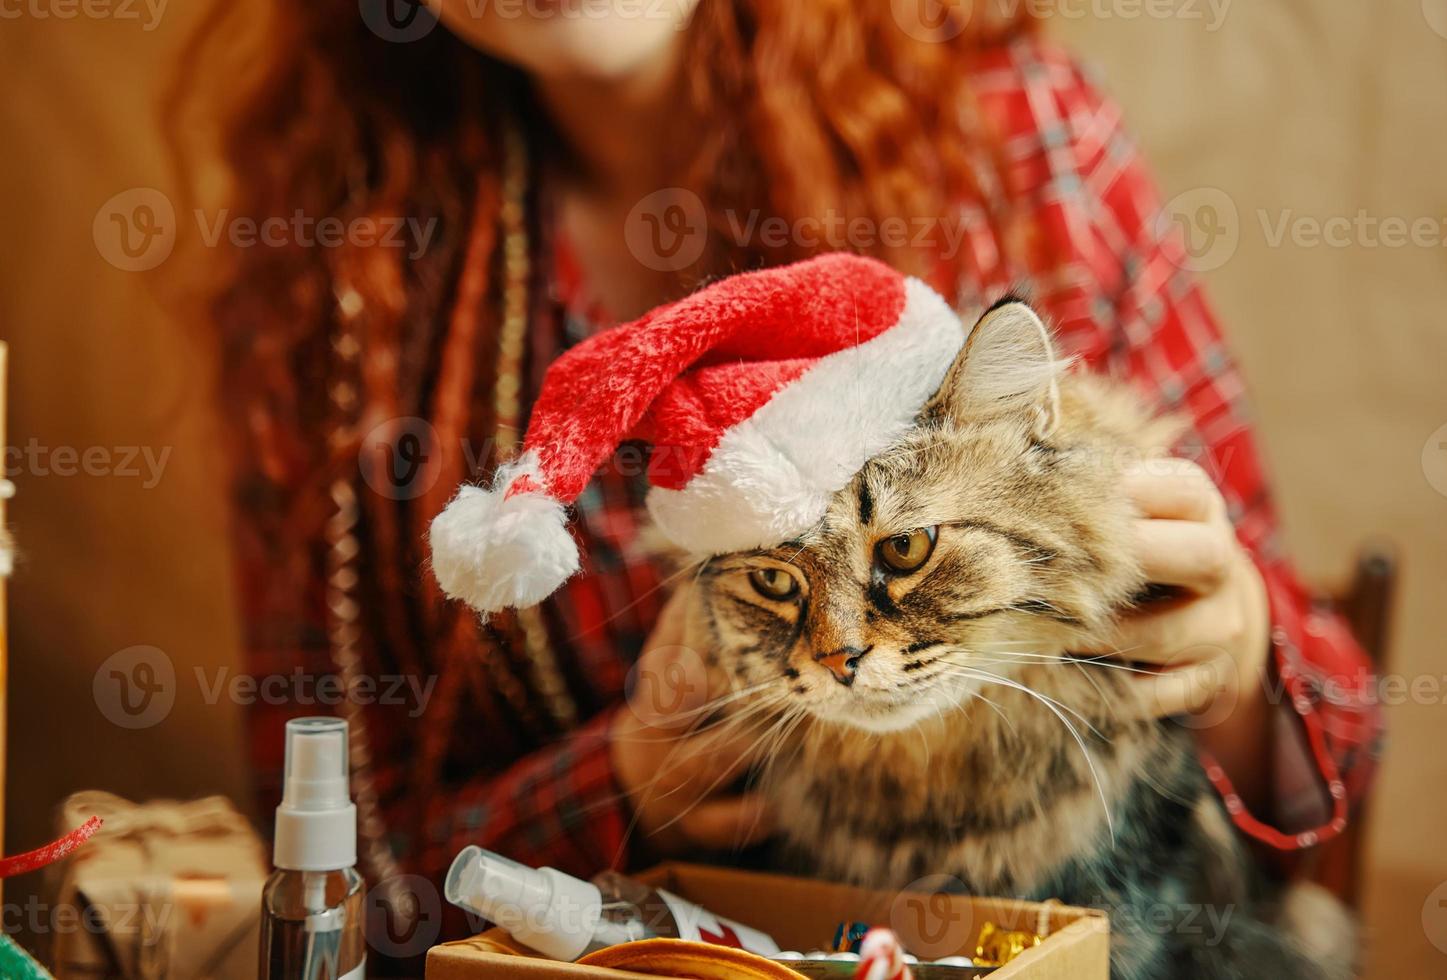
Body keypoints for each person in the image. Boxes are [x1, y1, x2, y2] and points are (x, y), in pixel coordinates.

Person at [173, 0, 1381, 966]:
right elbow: (335, 849)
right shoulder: (335, 270)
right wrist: (628, 783)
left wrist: (1233, 660)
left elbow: (1336, 732)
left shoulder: (1027, 141)